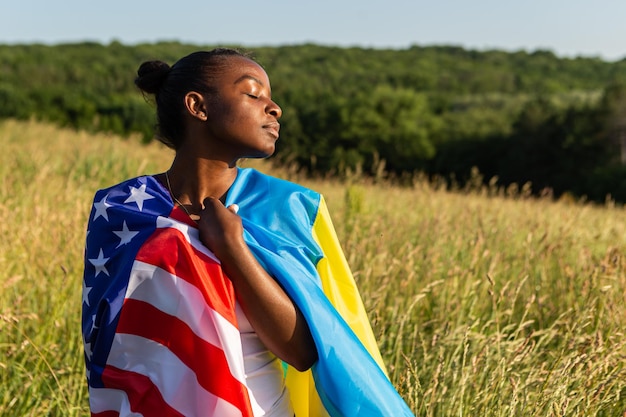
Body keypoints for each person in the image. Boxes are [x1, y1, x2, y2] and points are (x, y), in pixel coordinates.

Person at [82, 48, 413, 416]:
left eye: (271, 99)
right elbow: (108, 342)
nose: (274, 109)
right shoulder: (121, 208)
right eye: (254, 94)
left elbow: (302, 352)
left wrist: (232, 248)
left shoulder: (285, 207)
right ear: (198, 106)